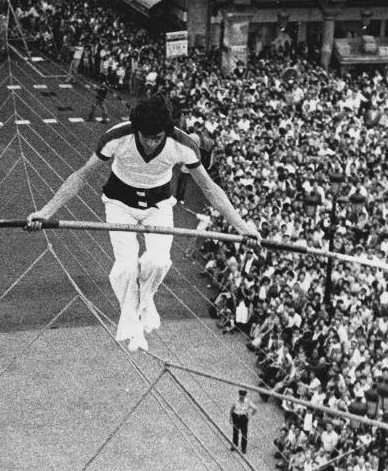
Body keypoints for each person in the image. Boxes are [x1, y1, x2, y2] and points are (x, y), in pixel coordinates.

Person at [27, 95, 258, 352]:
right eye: (145, 137)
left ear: (166, 133)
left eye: (157, 138)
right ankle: (135, 324)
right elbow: (82, 175)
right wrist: (46, 211)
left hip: (158, 206)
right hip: (119, 204)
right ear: (136, 129)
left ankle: (142, 305)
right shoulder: (117, 136)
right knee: (126, 268)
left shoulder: (182, 144)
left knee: (158, 262)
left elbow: (209, 187)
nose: (150, 143)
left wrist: (241, 226)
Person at [230, 389, 255, 454]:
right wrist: (230, 417)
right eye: (241, 395)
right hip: (236, 416)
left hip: (243, 418)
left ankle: (244, 448)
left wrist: (250, 416)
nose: (242, 397)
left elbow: (255, 408)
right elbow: (232, 409)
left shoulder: (248, 402)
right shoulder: (236, 400)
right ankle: (234, 445)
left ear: (245, 396)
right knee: (235, 432)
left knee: (244, 434)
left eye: (243, 396)